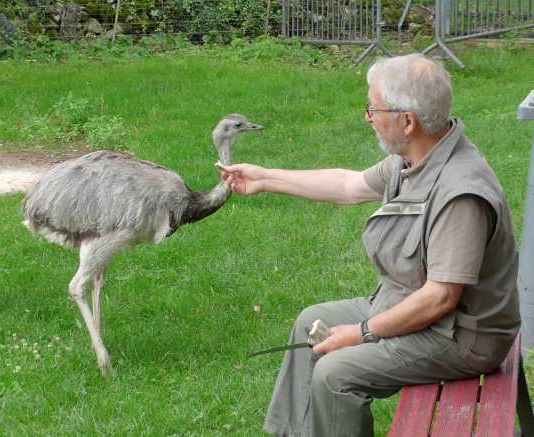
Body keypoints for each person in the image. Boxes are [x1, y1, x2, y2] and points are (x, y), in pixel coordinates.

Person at [219, 53, 520, 437]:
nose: (368, 117)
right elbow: (348, 186)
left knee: (334, 374)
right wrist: (265, 178)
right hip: (422, 309)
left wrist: (363, 331)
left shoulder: (460, 193)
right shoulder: (417, 155)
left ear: (407, 121)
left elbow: (440, 298)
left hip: (462, 337)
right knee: (309, 323)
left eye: (373, 108)